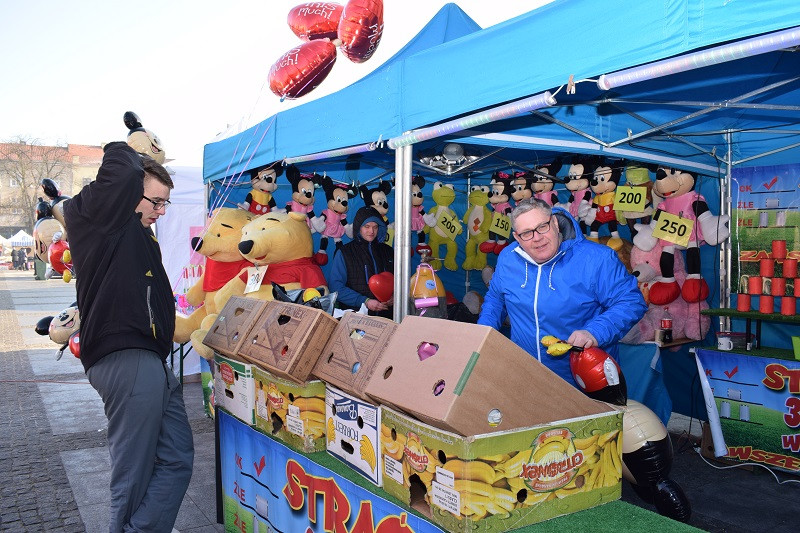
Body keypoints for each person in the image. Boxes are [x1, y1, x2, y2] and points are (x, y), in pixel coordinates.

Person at [64, 141, 193, 532]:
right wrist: (131, 143)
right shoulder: (103, 217)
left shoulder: (135, 233)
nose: (161, 211)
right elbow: (120, 167)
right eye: (156, 201)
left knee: (178, 458)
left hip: (150, 361)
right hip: (127, 357)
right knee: (133, 472)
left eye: (165, 203)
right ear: (130, 190)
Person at [478, 198, 646, 386]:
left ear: (555, 223)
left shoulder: (596, 259)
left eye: (542, 227)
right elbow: (496, 299)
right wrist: (483, 331)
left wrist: (594, 332)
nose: (537, 238)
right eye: (526, 233)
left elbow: (631, 302)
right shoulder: (508, 258)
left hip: (583, 379)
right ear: (517, 237)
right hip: (525, 374)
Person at [329, 205, 394, 318]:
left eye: (375, 227)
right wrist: (365, 301)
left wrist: (395, 297)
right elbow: (336, 287)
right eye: (367, 226)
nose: (371, 231)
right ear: (359, 227)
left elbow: (401, 281)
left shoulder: (388, 251)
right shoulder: (345, 252)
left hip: (387, 317)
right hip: (356, 317)